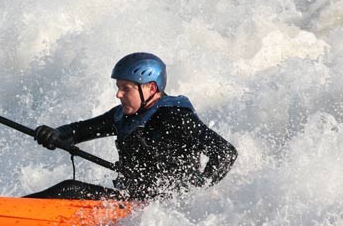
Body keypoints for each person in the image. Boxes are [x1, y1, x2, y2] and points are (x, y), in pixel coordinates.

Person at [26, 52, 237, 201]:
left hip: (159, 208)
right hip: (131, 199)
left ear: (151, 88)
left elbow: (225, 153)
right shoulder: (122, 116)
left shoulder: (176, 116)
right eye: (118, 88)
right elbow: (78, 131)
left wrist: (199, 189)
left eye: (125, 88)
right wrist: (54, 134)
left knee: (69, 189)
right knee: (68, 189)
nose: (118, 94)